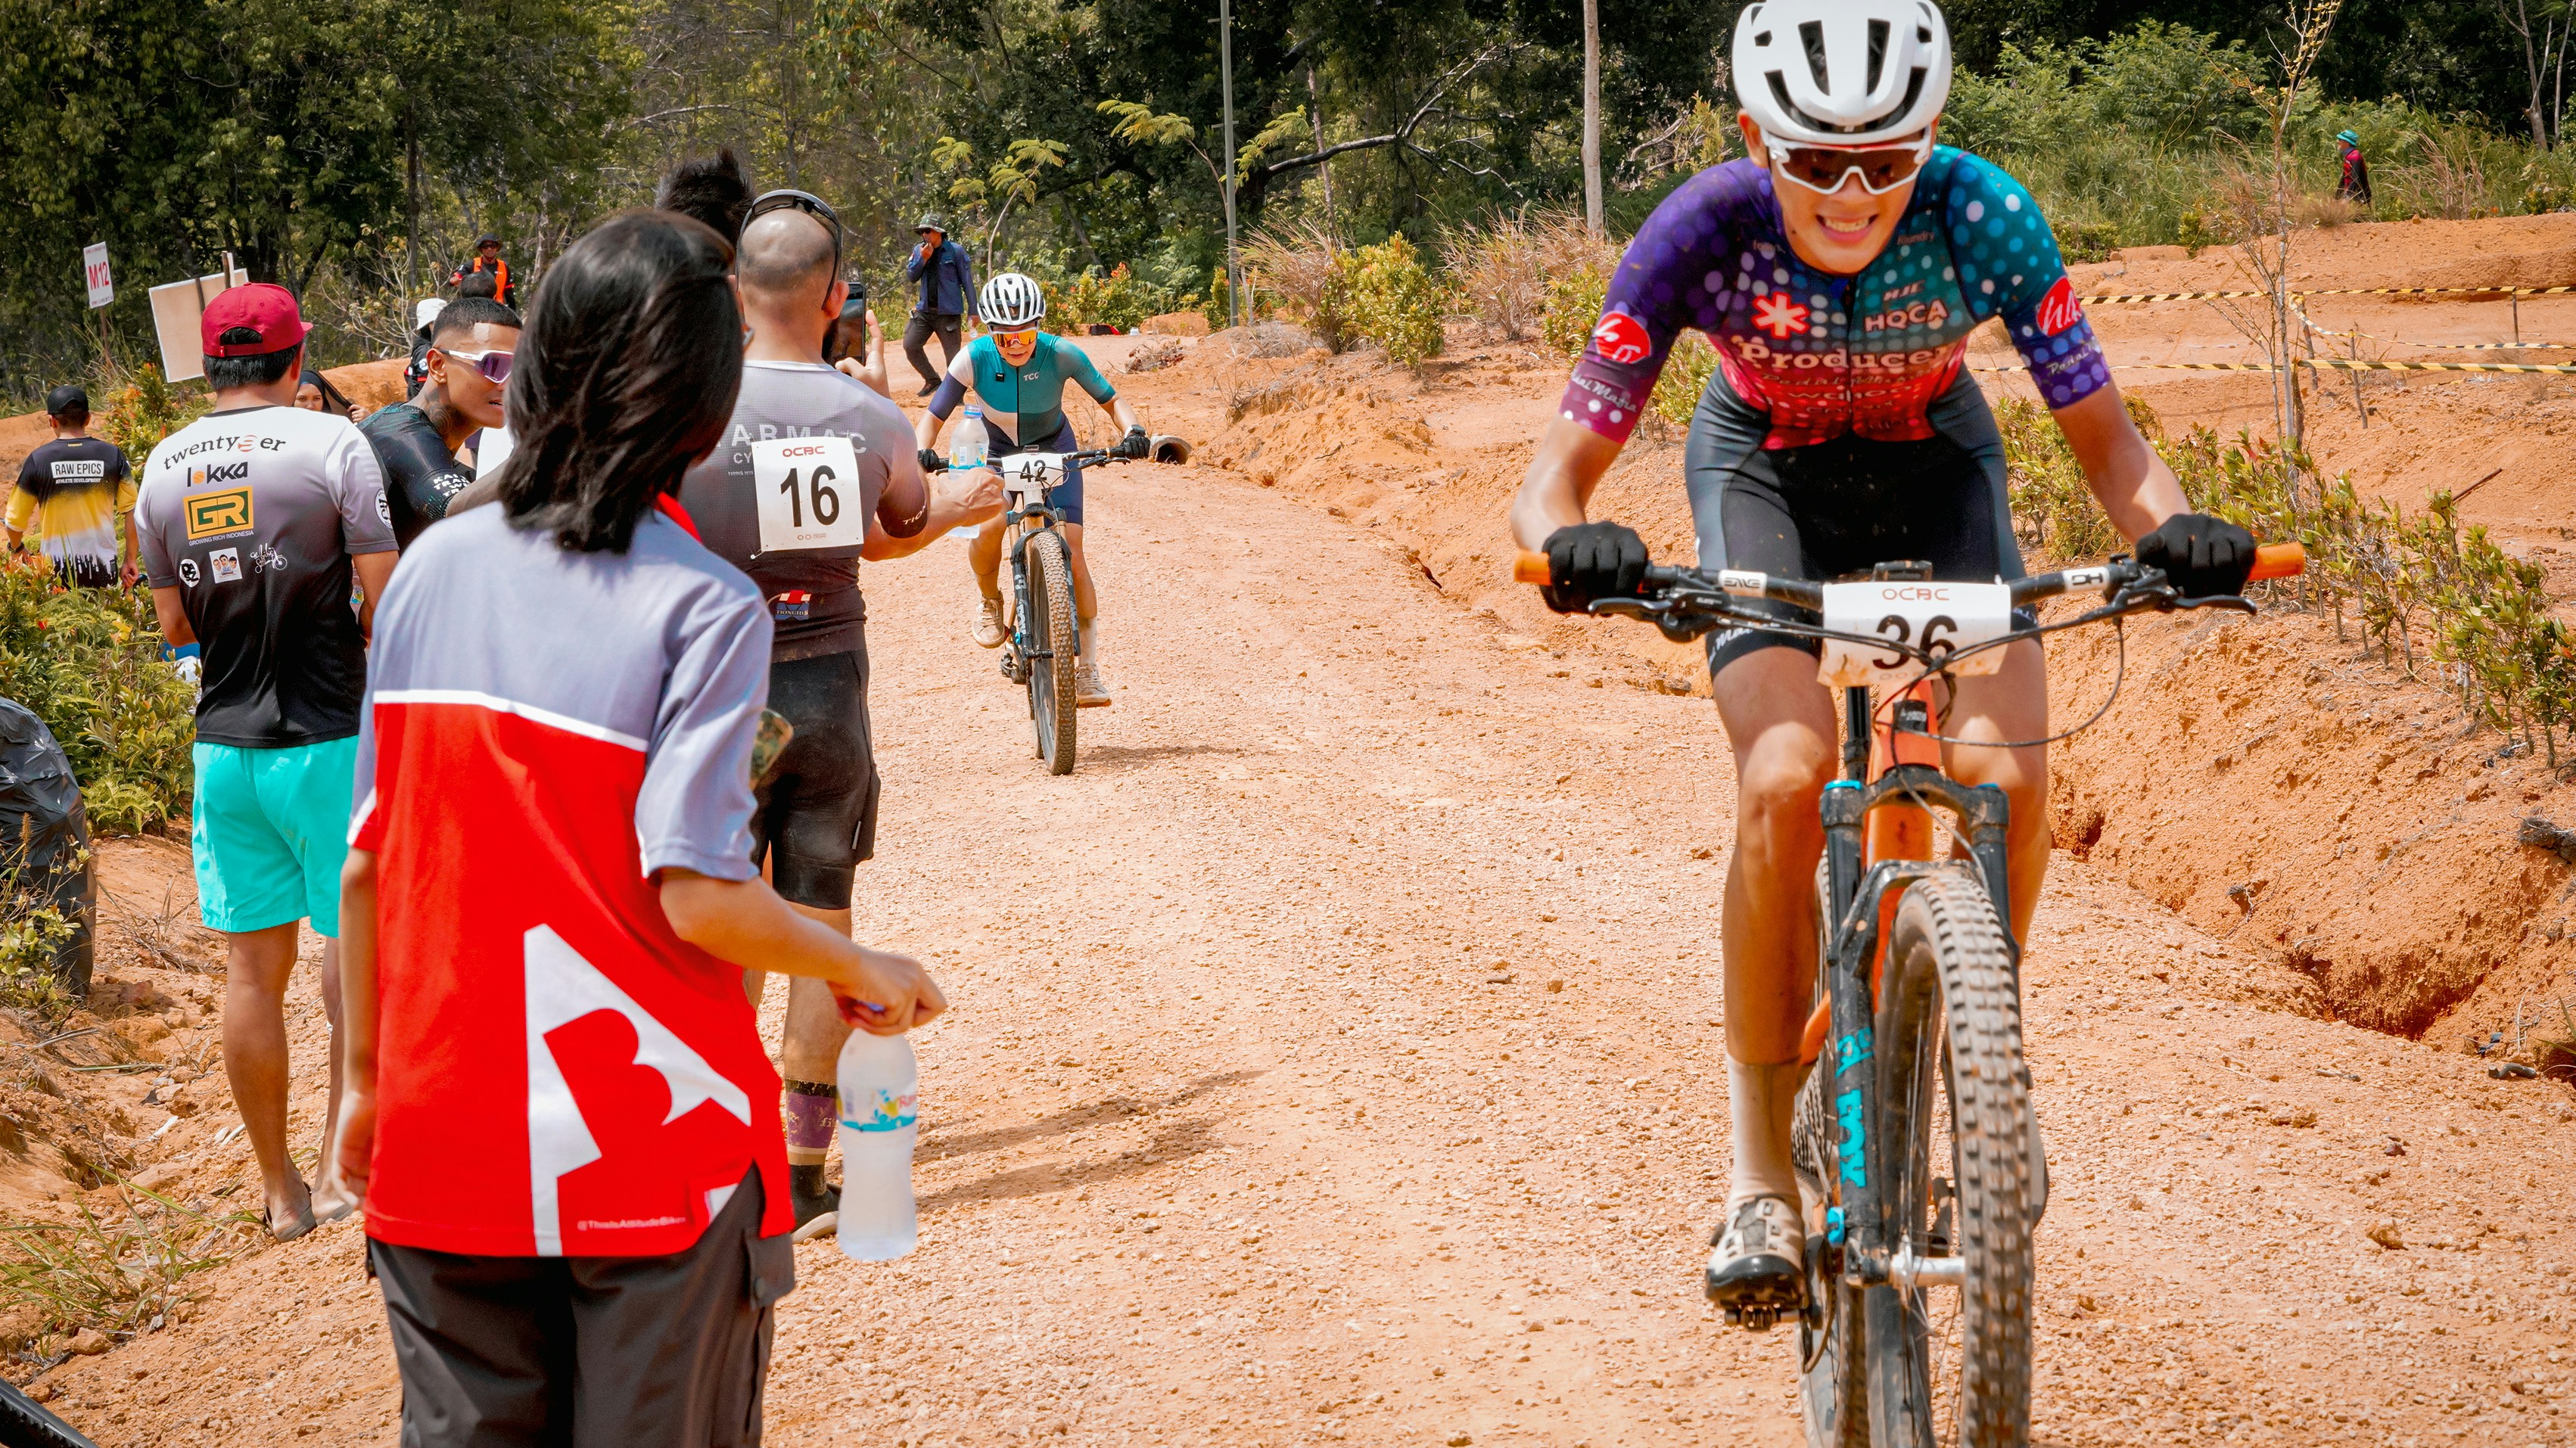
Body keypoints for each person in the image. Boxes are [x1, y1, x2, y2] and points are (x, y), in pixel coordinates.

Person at [1507, 0, 2257, 1325]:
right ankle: (1754, 1174)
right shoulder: (1699, 229)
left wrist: (2175, 530)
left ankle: (1983, 1062)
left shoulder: (1982, 215)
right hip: (1762, 475)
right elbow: (1551, 473)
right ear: (1753, 139)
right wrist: (1574, 541)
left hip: (1933, 472)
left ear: (1929, 142)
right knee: (1785, 779)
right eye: (1811, 162)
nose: (1850, 194)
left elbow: (2109, 444)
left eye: (1885, 160)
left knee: (2004, 780)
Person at [322, 208, 945, 1446]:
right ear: (703, 408)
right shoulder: (703, 606)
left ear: (538, 366)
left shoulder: (435, 566)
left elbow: (368, 864)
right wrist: (861, 966)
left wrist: (362, 1086)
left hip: (444, 1139)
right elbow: (697, 893)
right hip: (654, 1154)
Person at [675, 188, 1001, 1229]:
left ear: (734, 290)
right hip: (824, 691)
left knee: (709, 922)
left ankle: (714, 1162)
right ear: (835, 295)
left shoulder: (684, 410)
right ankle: (808, 1175)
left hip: (711, 694)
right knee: (821, 921)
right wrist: (964, 500)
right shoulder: (865, 413)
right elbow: (893, 529)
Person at [132, 282, 399, 1241]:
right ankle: (337, 1170)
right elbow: (386, 593)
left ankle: (277, 1191)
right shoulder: (330, 445)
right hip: (327, 735)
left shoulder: (161, 467)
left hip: (224, 747)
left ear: (212, 366)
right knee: (347, 947)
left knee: (253, 970)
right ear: (294, 362)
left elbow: (173, 624)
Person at [915, 272, 1149, 707]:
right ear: (990, 332)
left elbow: (1113, 401)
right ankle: (990, 599)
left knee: (1074, 552)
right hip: (998, 453)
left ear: (1038, 325)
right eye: (1005, 336)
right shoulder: (972, 358)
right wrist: (920, 450)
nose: (1017, 342)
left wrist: (1134, 429)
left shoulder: (1062, 353)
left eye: (1026, 332)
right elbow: (933, 416)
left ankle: (1089, 670)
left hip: (1055, 448)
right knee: (987, 530)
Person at [360, 297, 521, 548]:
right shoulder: (398, 434)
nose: (509, 384)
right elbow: (454, 511)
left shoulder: (433, 451)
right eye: (495, 365)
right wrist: (540, 449)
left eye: (520, 370)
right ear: (437, 365)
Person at [8, 384, 136, 589]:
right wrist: (131, 559)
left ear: (52, 421)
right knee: (103, 619)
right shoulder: (112, 455)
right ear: (87, 419)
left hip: (56, 573)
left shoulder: (38, 460)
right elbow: (131, 511)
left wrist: (17, 548)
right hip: (104, 567)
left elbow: (14, 521)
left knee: (63, 620)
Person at [901, 216, 975, 396]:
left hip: (948, 314)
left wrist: (974, 310)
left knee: (953, 359)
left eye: (928, 231)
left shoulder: (955, 251)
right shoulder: (919, 251)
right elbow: (912, 277)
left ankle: (954, 395)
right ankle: (932, 381)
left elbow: (967, 281)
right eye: (921, 232)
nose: (924, 235)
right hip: (924, 312)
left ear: (939, 232)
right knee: (910, 345)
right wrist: (923, 259)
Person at [450, 232, 516, 307]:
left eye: (492, 246)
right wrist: (454, 280)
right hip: (475, 307)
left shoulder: (504, 266)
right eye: (485, 246)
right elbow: (456, 277)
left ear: (497, 248)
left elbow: (510, 294)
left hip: (497, 308)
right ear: (481, 248)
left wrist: (514, 314)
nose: (489, 249)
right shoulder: (472, 264)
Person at [403, 297, 445, 401]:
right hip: (427, 411)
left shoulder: (436, 344)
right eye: (435, 322)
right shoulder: (426, 350)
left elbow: (408, 373)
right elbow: (428, 390)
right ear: (426, 325)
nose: (440, 325)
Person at [2337, 129, 2372, 206]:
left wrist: (2347, 197)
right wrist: (2337, 195)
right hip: (2351, 195)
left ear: (2347, 143)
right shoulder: (2349, 156)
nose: (2338, 142)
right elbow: (2345, 177)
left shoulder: (2355, 156)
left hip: (2360, 198)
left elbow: (2355, 178)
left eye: (2340, 140)